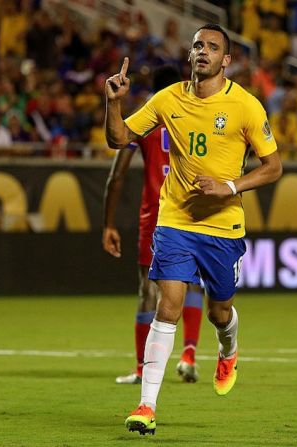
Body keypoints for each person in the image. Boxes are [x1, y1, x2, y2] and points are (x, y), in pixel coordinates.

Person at [104, 24, 282, 435]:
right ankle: (146, 406)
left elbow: (274, 167)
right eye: (197, 45)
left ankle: (228, 349)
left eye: (212, 47)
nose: (203, 51)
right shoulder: (167, 98)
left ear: (227, 60)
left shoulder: (246, 106)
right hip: (176, 219)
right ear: (190, 55)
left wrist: (232, 186)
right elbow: (119, 139)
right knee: (167, 305)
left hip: (223, 226)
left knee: (220, 312)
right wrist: (113, 103)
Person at [102, 65, 204, 386]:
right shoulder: (197, 115)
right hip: (194, 213)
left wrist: (108, 223)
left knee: (148, 291)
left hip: (157, 216)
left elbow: (116, 175)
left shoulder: (145, 119)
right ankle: (188, 354)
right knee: (194, 284)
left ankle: (142, 369)